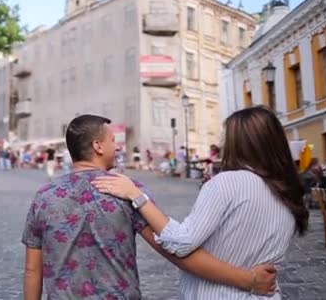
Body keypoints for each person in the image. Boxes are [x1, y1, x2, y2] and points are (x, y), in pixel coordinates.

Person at [22, 114, 276, 300]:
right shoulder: (127, 189)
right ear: (98, 147)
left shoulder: (43, 196)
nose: (118, 146)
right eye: (112, 140)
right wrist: (248, 279)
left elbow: (33, 269)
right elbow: (175, 251)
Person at [93, 106, 308, 299]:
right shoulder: (288, 191)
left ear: (238, 142)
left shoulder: (228, 182)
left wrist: (136, 195)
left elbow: (181, 242)